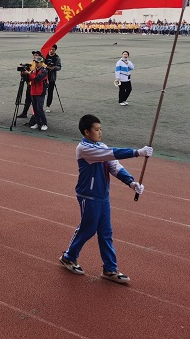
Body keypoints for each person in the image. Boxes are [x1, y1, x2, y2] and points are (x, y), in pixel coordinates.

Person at [59, 114, 152, 284]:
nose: (100, 132)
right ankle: (69, 256)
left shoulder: (101, 146)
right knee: (88, 229)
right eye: (96, 129)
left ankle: (110, 268)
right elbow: (111, 153)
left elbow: (114, 165)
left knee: (106, 232)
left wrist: (131, 182)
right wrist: (138, 152)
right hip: (88, 195)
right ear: (86, 132)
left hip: (102, 196)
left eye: (101, 129)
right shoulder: (84, 148)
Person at [28, 55, 49, 131]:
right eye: (36, 62)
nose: (36, 64)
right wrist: (25, 74)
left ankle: (44, 123)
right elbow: (29, 79)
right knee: (35, 109)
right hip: (33, 91)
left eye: (38, 62)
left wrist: (29, 74)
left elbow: (37, 79)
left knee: (40, 109)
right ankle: (37, 122)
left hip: (40, 92)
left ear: (42, 63)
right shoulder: (33, 71)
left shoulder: (44, 71)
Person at [44, 44, 62, 113]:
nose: (51, 51)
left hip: (52, 77)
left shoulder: (57, 58)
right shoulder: (45, 56)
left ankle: (48, 106)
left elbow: (59, 67)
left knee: (50, 92)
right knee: (42, 91)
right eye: (50, 49)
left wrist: (54, 67)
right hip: (44, 76)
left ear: (55, 50)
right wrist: (46, 66)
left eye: (53, 49)